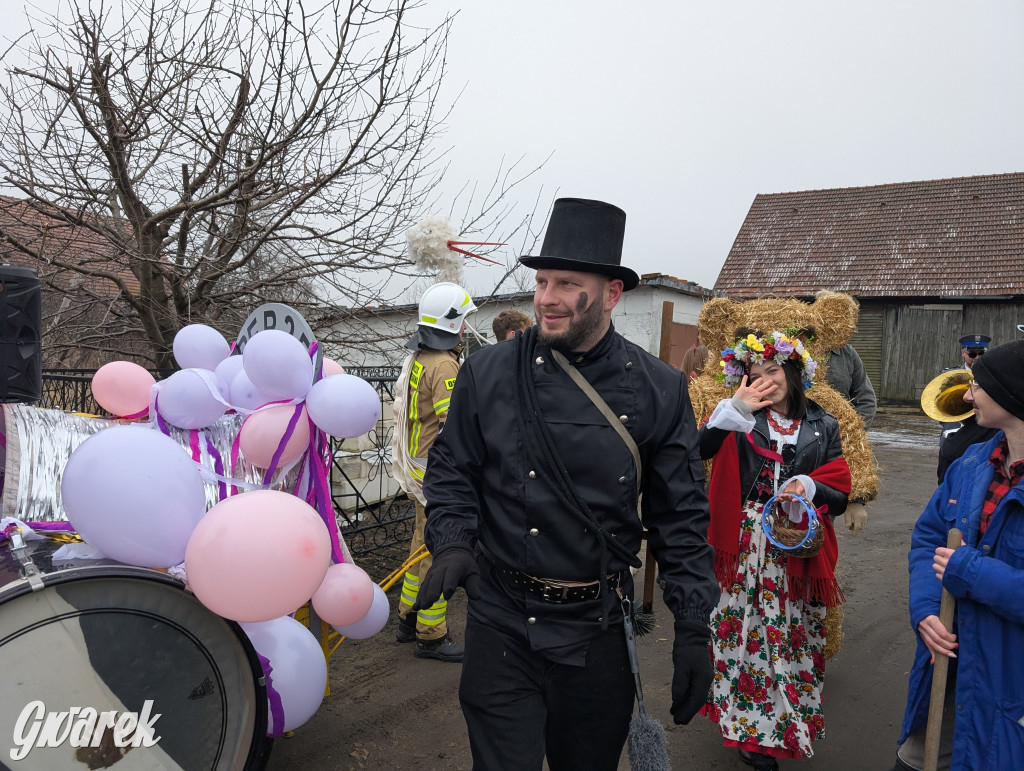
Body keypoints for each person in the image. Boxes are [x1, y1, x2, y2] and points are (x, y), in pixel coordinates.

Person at [412, 198, 718, 770]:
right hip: (500, 617)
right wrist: (452, 541)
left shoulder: (659, 389)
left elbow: (680, 516)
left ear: (610, 293)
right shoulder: (487, 372)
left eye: (566, 283)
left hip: (596, 628)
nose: (546, 297)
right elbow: (452, 470)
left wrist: (694, 627)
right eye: (542, 280)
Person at [699, 330, 851, 770]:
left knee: (791, 637)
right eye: (754, 374)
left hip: (796, 546)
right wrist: (733, 410)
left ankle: (787, 720)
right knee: (744, 636)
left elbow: (840, 494)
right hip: (745, 545)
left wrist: (813, 484)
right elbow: (697, 449)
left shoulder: (824, 424)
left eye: (774, 370)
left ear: (793, 372)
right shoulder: (737, 415)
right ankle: (748, 731)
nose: (766, 380)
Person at [893, 340, 1024, 771]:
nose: (967, 396)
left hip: (1010, 683)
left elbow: (959, 563)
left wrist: (971, 571)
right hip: (950, 671)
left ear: (1013, 396)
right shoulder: (972, 461)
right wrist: (928, 608)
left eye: (978, 386)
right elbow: (930, 537)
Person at [390, 281, 477, 662]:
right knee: (433, 554)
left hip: (417, 472)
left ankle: (407, 619)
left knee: (418, 549)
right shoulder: (444, 365)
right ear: (454, 324)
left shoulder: (421, 358)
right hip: (436, 478)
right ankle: (431, 635)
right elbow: (453, 426)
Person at [823, 343, 876, 427]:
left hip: (840, 431)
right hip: (797, 432)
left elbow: (866, 399)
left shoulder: (847, 353)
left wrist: (852, 430)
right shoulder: (795, 349)